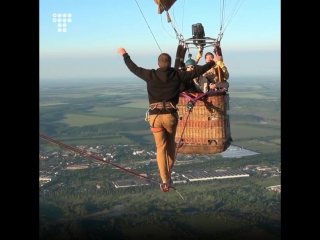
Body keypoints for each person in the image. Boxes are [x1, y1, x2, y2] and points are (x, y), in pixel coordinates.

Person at [117, 47, 217, 192]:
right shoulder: (177, 75)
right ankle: (168, 176)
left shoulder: (150, 75)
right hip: (170, 115)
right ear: (169, 64)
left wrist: (125, 55)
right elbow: (197, 72)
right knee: (170, 147)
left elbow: (134, 68)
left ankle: (164, 179)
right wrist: (212, 63)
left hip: (155, 116)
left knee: (160, 148)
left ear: (158, 64)